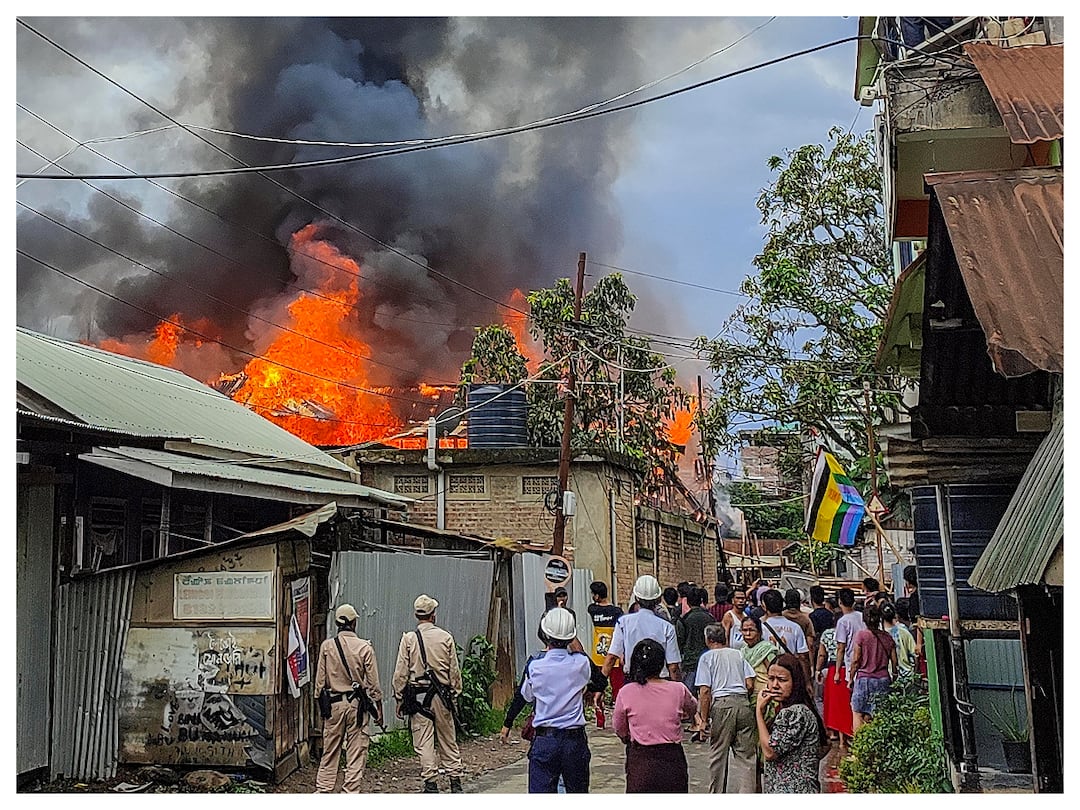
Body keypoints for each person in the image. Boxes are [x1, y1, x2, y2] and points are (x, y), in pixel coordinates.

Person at [391, 595, 464, 793]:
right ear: (433, 615)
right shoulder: (445, 637)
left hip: (418, 697)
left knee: (424, 742)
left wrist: (399, 698)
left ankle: (431, 783)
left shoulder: (409, 639)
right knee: (448, 738)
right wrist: (454, 694)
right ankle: (455, 780)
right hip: (442, 695)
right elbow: (454, 671)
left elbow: (400, 673)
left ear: (417, 615)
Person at [520, 607, 596, 793]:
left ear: (545, 634)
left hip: (545, 740)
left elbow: (527, 695)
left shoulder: (535, 667)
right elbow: (584, 662)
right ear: (571, 636)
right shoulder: (581, 664)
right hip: (574, 741)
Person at [314, 604, 383, 793]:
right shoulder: (364, 647)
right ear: (354, 623)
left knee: (330, 751)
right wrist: (379, 708)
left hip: (333, 705)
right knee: (356, 752)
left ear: (337, 623)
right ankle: (350, 792)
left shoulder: (327, 646)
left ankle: (323, 790)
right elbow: (373, 684)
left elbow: (319, 683)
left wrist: (321, 708)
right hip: (356, 706)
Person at [613, 639, 698, 793]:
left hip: (641, 760)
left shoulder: (626, 692)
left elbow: (619, 727)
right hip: (672, 759)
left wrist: (627, 737)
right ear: (661, 664)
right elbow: (693, 707)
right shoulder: (678, 689)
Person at [694, 623, 757, 793]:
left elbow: (705, 691)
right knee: (747, 757)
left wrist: (704, 720)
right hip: (743, 703)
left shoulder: (707, 658)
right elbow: (750, 683)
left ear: (708, 640)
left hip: (722, 704)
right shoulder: (738, 654)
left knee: (718, 755)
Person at [755, 653, 827, 794]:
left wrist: (759, 712)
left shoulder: (795, 713)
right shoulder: (796, 710)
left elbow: (770, 752)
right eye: (771, 679)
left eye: (782, 680)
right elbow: (826, 745)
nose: (775, 685)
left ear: (795, 682)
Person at [603, 575, 681, 682]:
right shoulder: (667, 627)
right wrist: (678, 686)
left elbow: (612, 657)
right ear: (658, 599)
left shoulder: (623, 623)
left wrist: (600, 684)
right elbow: (673, 667)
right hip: (660, 681)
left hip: (633, 680)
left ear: (636, 598)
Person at [848, 602, 897, 733]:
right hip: (883, 679)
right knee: (880, 715)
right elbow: (894, 662)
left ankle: (860, 742)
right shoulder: (887, 637)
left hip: (863, 679)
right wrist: (894, 678)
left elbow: (856, 660)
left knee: (858, 712)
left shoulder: (861, 636)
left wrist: (851, 678)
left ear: (864, 619)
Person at [828, 587, 864, 747]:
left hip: (851, 666)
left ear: (840, 602)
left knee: (855, 706)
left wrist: (837, 671)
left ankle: (856, 739)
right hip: (865, 664)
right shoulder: (861, 616)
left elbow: (840, 648)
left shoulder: (842, 622)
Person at [759, 589, 811, 686]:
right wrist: (807, 682)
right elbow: (803, 657)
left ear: (764, 607)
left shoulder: (761, 629)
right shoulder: (795, 627)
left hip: (768, 676)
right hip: (790, 675)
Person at [586, 580, 624, 707]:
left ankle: (598, 705)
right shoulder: (617, 612)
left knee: (598, 684)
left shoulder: (593, 609)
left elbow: (592, 606)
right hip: (614, 653)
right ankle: (617, 705)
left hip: (598, 654)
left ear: (597, 596)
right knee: (617, 685)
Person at [675, 587, 712, 694]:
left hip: (690, 663)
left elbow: (680, 642)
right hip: (707, 661)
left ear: (688, 602)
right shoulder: (709, 618)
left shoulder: (684, 620)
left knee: (688, 695)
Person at [740, 615, 778, 702]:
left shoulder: (766, 650)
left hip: (766, 695)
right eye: (745, 630)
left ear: (759, 632)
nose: (748, 634)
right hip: (749, 697)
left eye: (751, 630)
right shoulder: (742, 651)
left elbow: (774, 672)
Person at [882, 601, 916, 678]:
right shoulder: (904, 631)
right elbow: (914, 654)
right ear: (895, 615)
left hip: (886, 675)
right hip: (906, 674)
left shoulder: (880, 634)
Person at [782, 588, 816, 661]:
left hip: (781, 658)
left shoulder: (780, 617)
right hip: (799, 659)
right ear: (799, 601)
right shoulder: (805, 619)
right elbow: (810, 644)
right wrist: (811, 664)